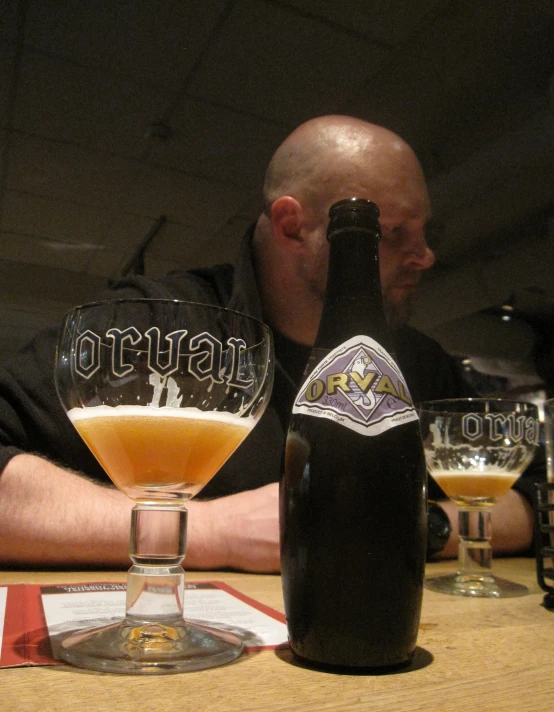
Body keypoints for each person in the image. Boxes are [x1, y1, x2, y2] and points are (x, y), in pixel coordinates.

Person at [0, 115, 537, 570]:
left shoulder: (414, 362)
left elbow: (532, 500)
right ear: (291, 227)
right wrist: (211, 529)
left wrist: (421, 526)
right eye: (394, 233)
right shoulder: (151, 329)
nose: (426, 258)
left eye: (426, 236)